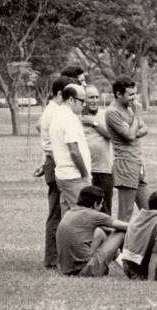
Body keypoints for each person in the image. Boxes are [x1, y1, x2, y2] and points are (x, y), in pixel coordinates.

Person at [37, 76, 75, 268]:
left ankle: (56, 256)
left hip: (54, 162)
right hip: (56, 164)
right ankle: (51, 258)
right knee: (56, 214)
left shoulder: (52, 111)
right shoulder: (54, 112)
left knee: (60, 211)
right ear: (61, 93)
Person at [56, 185, 129, 277]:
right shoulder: (94, 215)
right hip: (88, 271)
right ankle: (130, 268)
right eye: (101, 203)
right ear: (95, 204)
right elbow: (128, 227)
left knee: (99, 232)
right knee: (120, 232)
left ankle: (124, 266)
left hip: (66, 270)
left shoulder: (70, 212)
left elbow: (104, 230)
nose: (102, 206)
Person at [106, 74, 149, 221]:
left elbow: (145, 130)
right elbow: (129, 136)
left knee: (150, 211)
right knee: (126, 214)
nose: (134, 98)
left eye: (135, 93)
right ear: (118, 94)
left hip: (137, 163)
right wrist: (136, 117)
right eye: (131, 94)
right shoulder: (112, 112)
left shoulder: (130, 109)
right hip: (125, 164)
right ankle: (118, 244)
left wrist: (132, 128)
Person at [49, 84, 92, 215]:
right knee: (83, 216)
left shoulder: (58, 116)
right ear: (71, 100)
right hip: (74, 176)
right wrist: (85, 174)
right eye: (82, 101)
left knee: (68, 215)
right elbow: (74, 151)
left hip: (64, 175)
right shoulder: (69, 118)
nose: (84, 105)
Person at [122, 190, 157, 281]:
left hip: (127, 266)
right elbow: (156, 252)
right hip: (141, 267)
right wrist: (150, 280)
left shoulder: (139, 217)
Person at [81, 85, 114, 215]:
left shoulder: (104, 115)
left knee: (104, 210)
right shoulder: (77, 117)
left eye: (96, 97)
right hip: (85, 171)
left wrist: (93, 123)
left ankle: (105, 235)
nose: (94, 100)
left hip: (103, 170)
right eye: (91, 97)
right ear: (83, 100)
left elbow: (110, 134)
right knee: (87, 210)